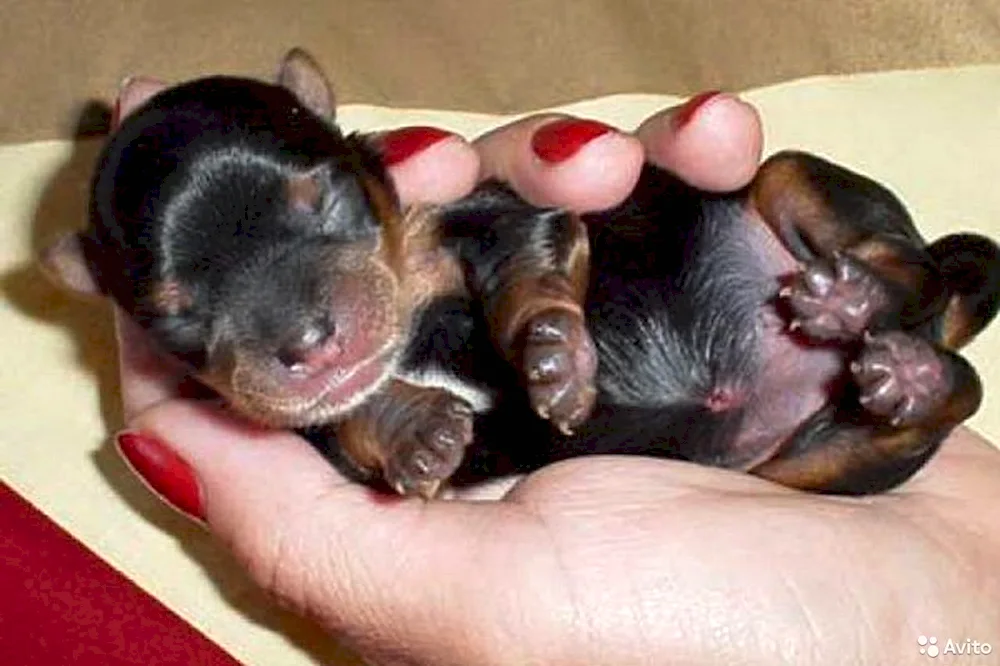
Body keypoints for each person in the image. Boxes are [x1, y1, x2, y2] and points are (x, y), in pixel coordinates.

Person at [111, 84, 1000, 665]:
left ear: (346, 138)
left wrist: (540, 309)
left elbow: (529, 233)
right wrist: (387, 425)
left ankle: (894, 281)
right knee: (844, 459)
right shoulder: (317, 412)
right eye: (188, 314)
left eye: (325, 211)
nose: (303, 332)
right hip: (758, 449)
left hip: (769, 261)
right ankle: (927, 394)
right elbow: (360, 450)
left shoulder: (427, 227)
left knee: (788, 183)